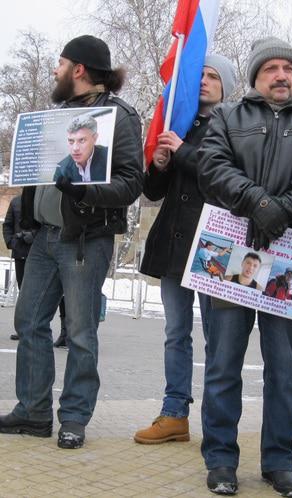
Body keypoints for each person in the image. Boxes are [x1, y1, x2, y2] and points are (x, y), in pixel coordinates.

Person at [198, 37, 292, 496]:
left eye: (289, 68)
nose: (282, 75)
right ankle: (220, 459)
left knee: (286, 369)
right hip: (234, 252)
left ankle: (279, 461)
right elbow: (211, 166)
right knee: (223, 363)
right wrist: (257, 202)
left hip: (291, 263)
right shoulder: (227, 116)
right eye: (272, 68)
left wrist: (281, 211)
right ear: (257, 75)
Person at [0, 35, 143, 450]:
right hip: (43, 237)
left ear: (79, 69)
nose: (55, 71)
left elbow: (133, 182)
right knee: (28, 322)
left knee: (80, 331)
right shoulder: (58, 114)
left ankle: (74, 417)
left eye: (60, 63)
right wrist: (26, 214)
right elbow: (40, 175)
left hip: (85, 240)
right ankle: (33, 411)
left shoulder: (119, 116)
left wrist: (84, 193)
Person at [134, 54, 236, 445]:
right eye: (200, 75)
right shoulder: (178, 124)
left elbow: (226, 183)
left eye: (213, 77)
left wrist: (184, 153)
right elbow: (154, 193)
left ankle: (216, 420)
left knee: (217, 336)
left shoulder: (234, 127)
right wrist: (159, 164)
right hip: (174, 245)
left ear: (226, 87)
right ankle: (174, 413)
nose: (204, 81)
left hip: (215, 247)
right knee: (176, 332)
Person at [2, 195, 36, 340]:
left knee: (36, 292)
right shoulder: (15, 201)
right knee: (24, 293)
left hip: (38, 253)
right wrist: (11, 242)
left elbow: (47, 225)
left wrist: (33, 235)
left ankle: (35, 329)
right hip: (20, 252)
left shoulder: (40, 199)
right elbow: (7, 224)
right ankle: (23, 329)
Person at [54, 114, 108, 183]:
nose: (75, 148)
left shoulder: (109, 156)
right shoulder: (61, 168)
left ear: (95, 138)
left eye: (82, 140)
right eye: (71, 141)